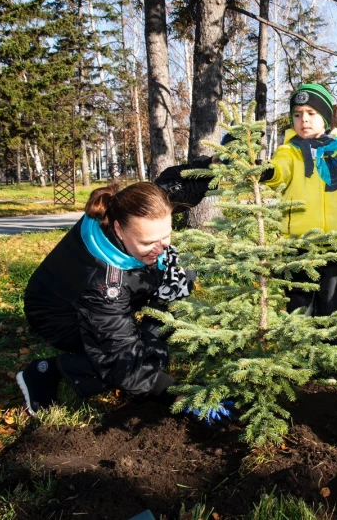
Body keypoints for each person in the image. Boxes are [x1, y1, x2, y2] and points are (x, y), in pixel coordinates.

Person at [16, 179, 229, 424]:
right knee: (114, 358)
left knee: (180, 273)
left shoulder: (130, 206)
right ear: (118, 229)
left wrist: (212, 164)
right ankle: (48, 371)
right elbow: (122, 360)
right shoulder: (104, 285)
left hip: (111, 292)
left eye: (166, 236)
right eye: (148, 243)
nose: (161, 249)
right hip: (59, 315)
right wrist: (179, 394)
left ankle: (149, 347)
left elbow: (180, 183)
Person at [263, 83, 337, 319]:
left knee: (331, 307)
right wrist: (269, 172)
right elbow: (280, 170)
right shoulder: (288, 152)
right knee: (299, 309)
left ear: (326, 119)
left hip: (334, 247)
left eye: (311, 113)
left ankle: (331, 351)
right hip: (298, 246)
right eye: (298, 115)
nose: (304, 120)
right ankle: (300, 353)